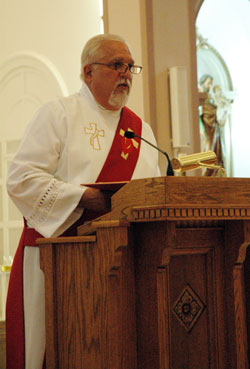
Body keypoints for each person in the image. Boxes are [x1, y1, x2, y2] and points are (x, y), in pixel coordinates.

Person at [5, 34, 160, 369]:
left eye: (130, 66)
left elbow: (154, 190)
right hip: (56, 260)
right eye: (116, 65)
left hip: (125, 264)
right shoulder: (59, 114)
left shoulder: (141, 131)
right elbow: (21, 179)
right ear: (88, 72)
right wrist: (83, 197)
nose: (126, 73)